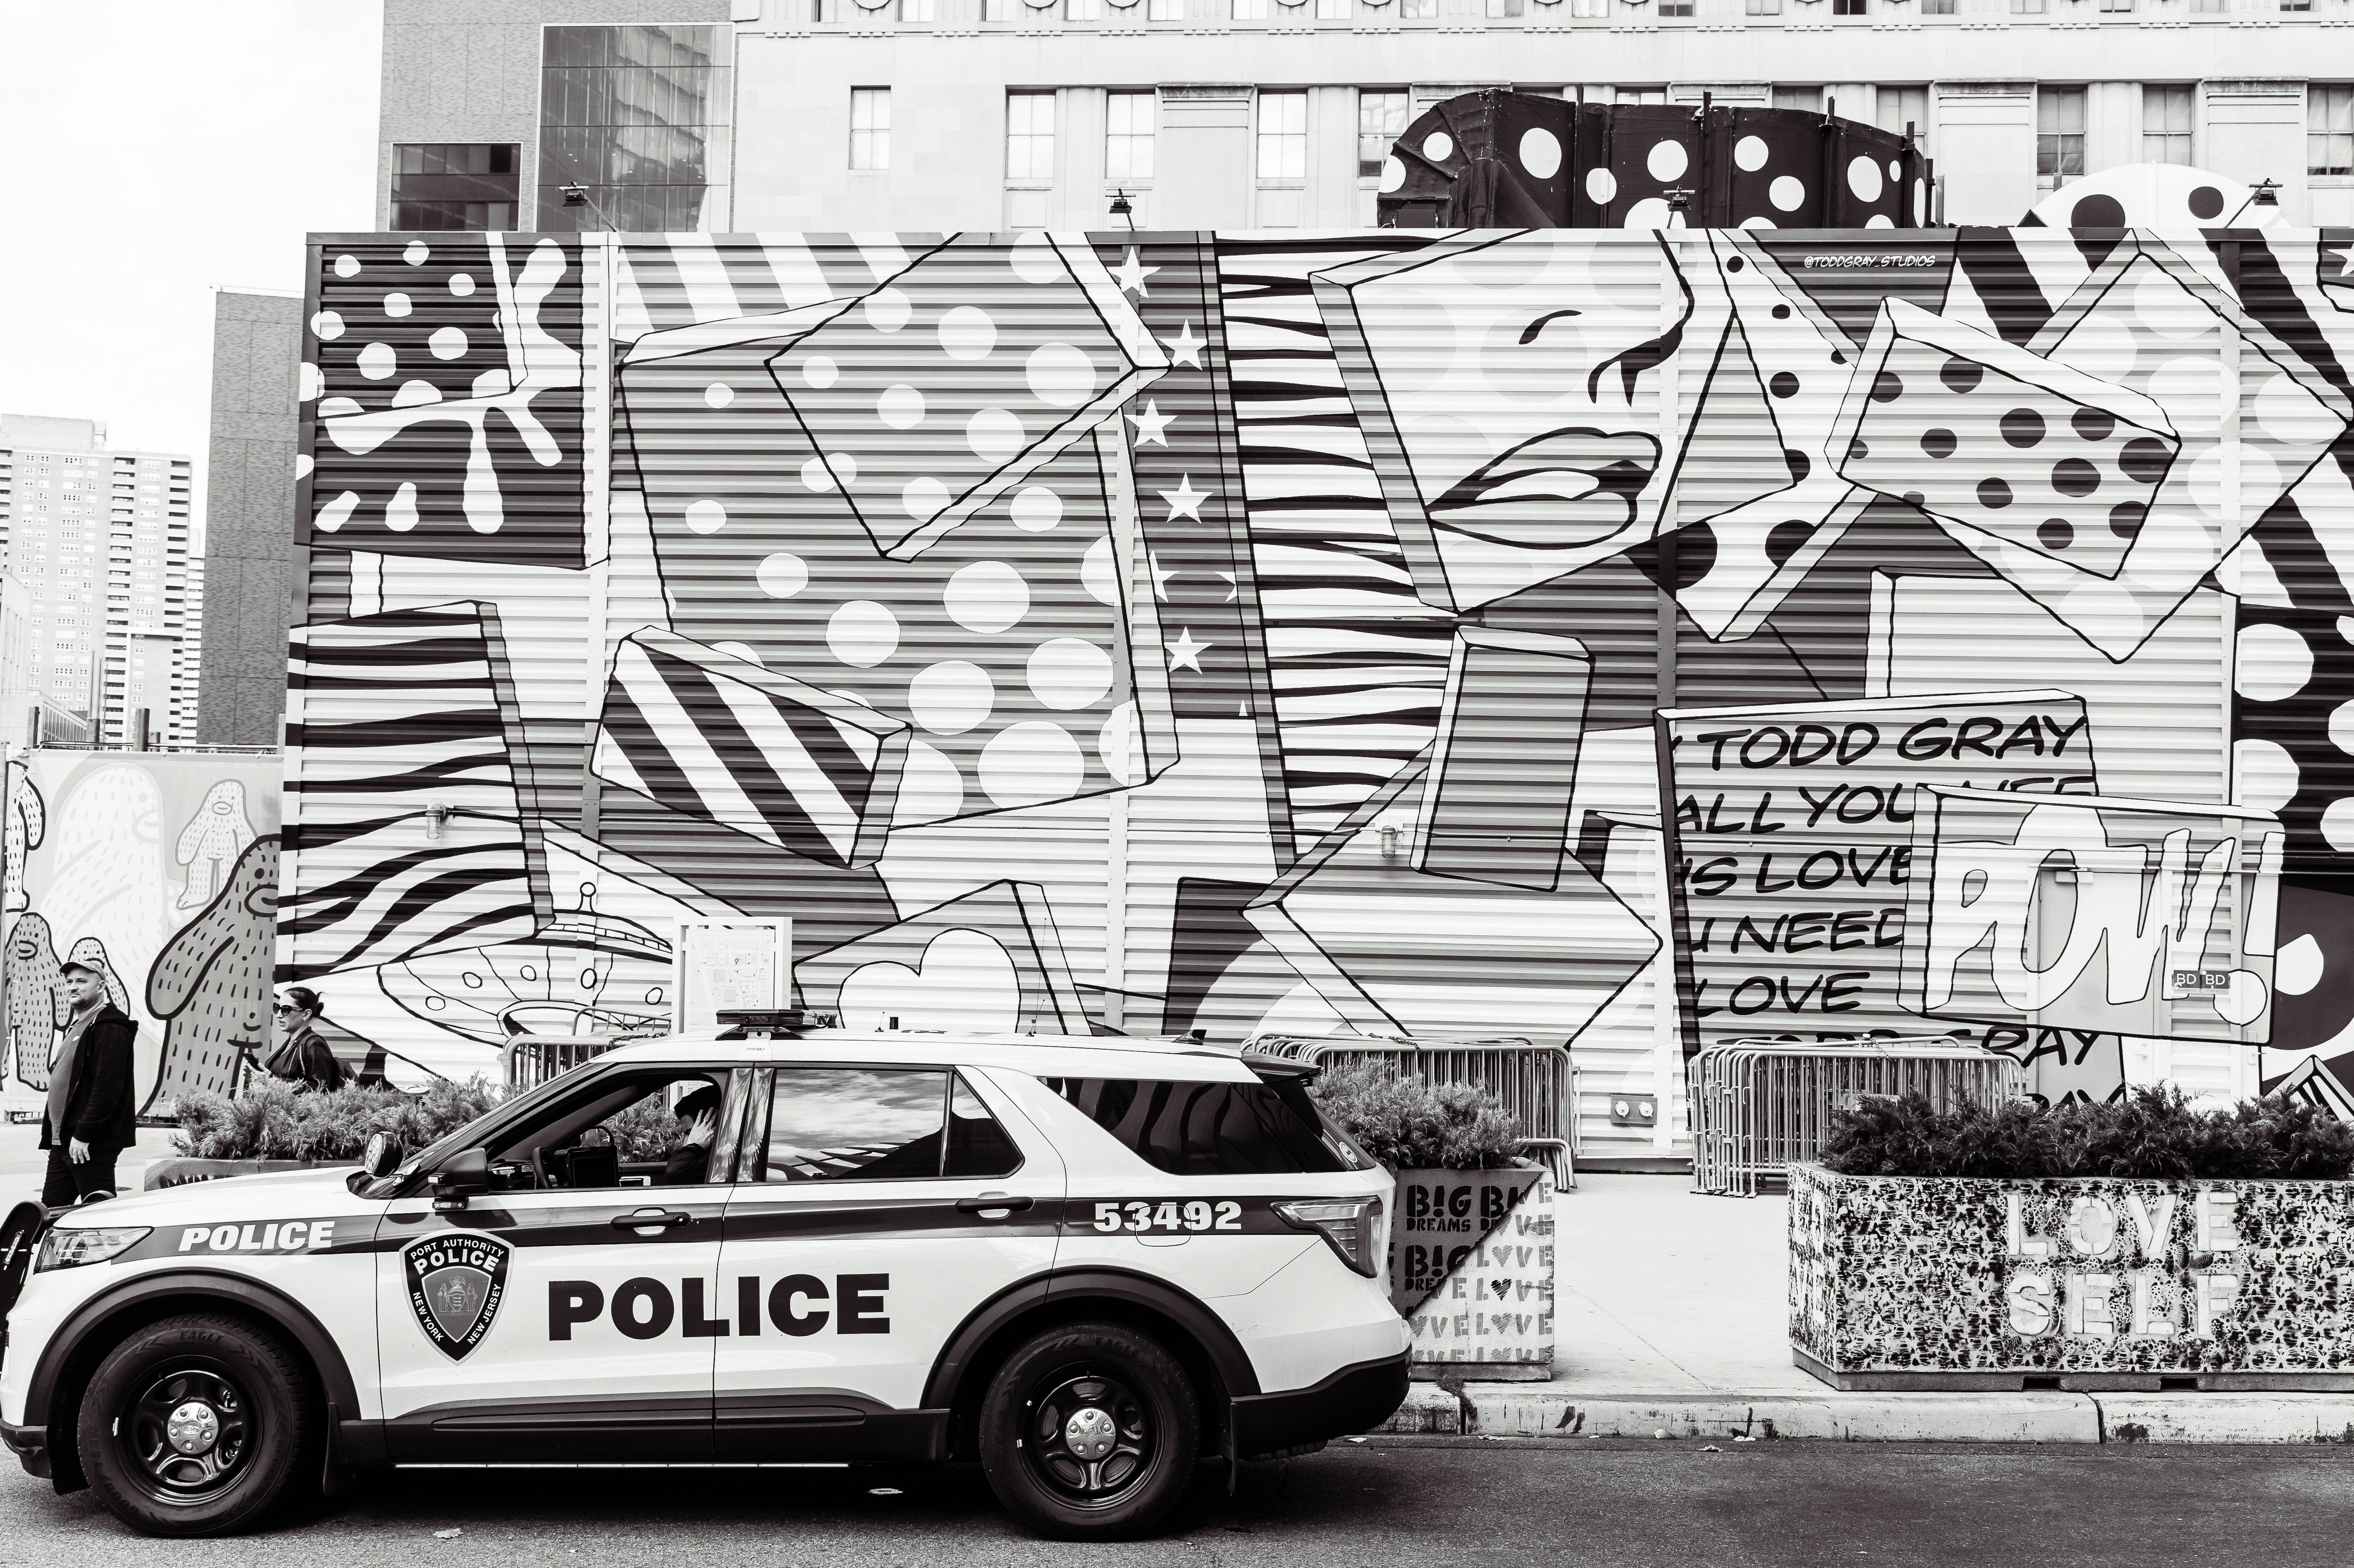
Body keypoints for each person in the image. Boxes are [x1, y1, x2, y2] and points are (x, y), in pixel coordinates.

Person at [40, 959, 137, 1207]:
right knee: (50, 1214)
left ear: (101, 985)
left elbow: (108, 1088)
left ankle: (112, 1247)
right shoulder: (80, 1025)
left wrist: (85, 1134)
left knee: (99, 1214)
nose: (73, 987)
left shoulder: (110, 1027)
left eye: (82, 981)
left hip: (89, 1143)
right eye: (69, 982)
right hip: (65, 1142)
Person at [265, 987, 346, 1093]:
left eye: (286, 1009)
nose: (278, 1015)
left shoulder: (314, 1044)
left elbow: (319, 1091)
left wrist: (271, 1082)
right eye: (277, 1008)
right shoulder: (291, 1043)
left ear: (306, 1014)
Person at [662, 1084, 722, 1185]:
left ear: (710, 1124)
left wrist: (696, 1146)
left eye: (690, 1133)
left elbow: (675, 1171)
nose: (686, 1144)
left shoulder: (720, 1159)